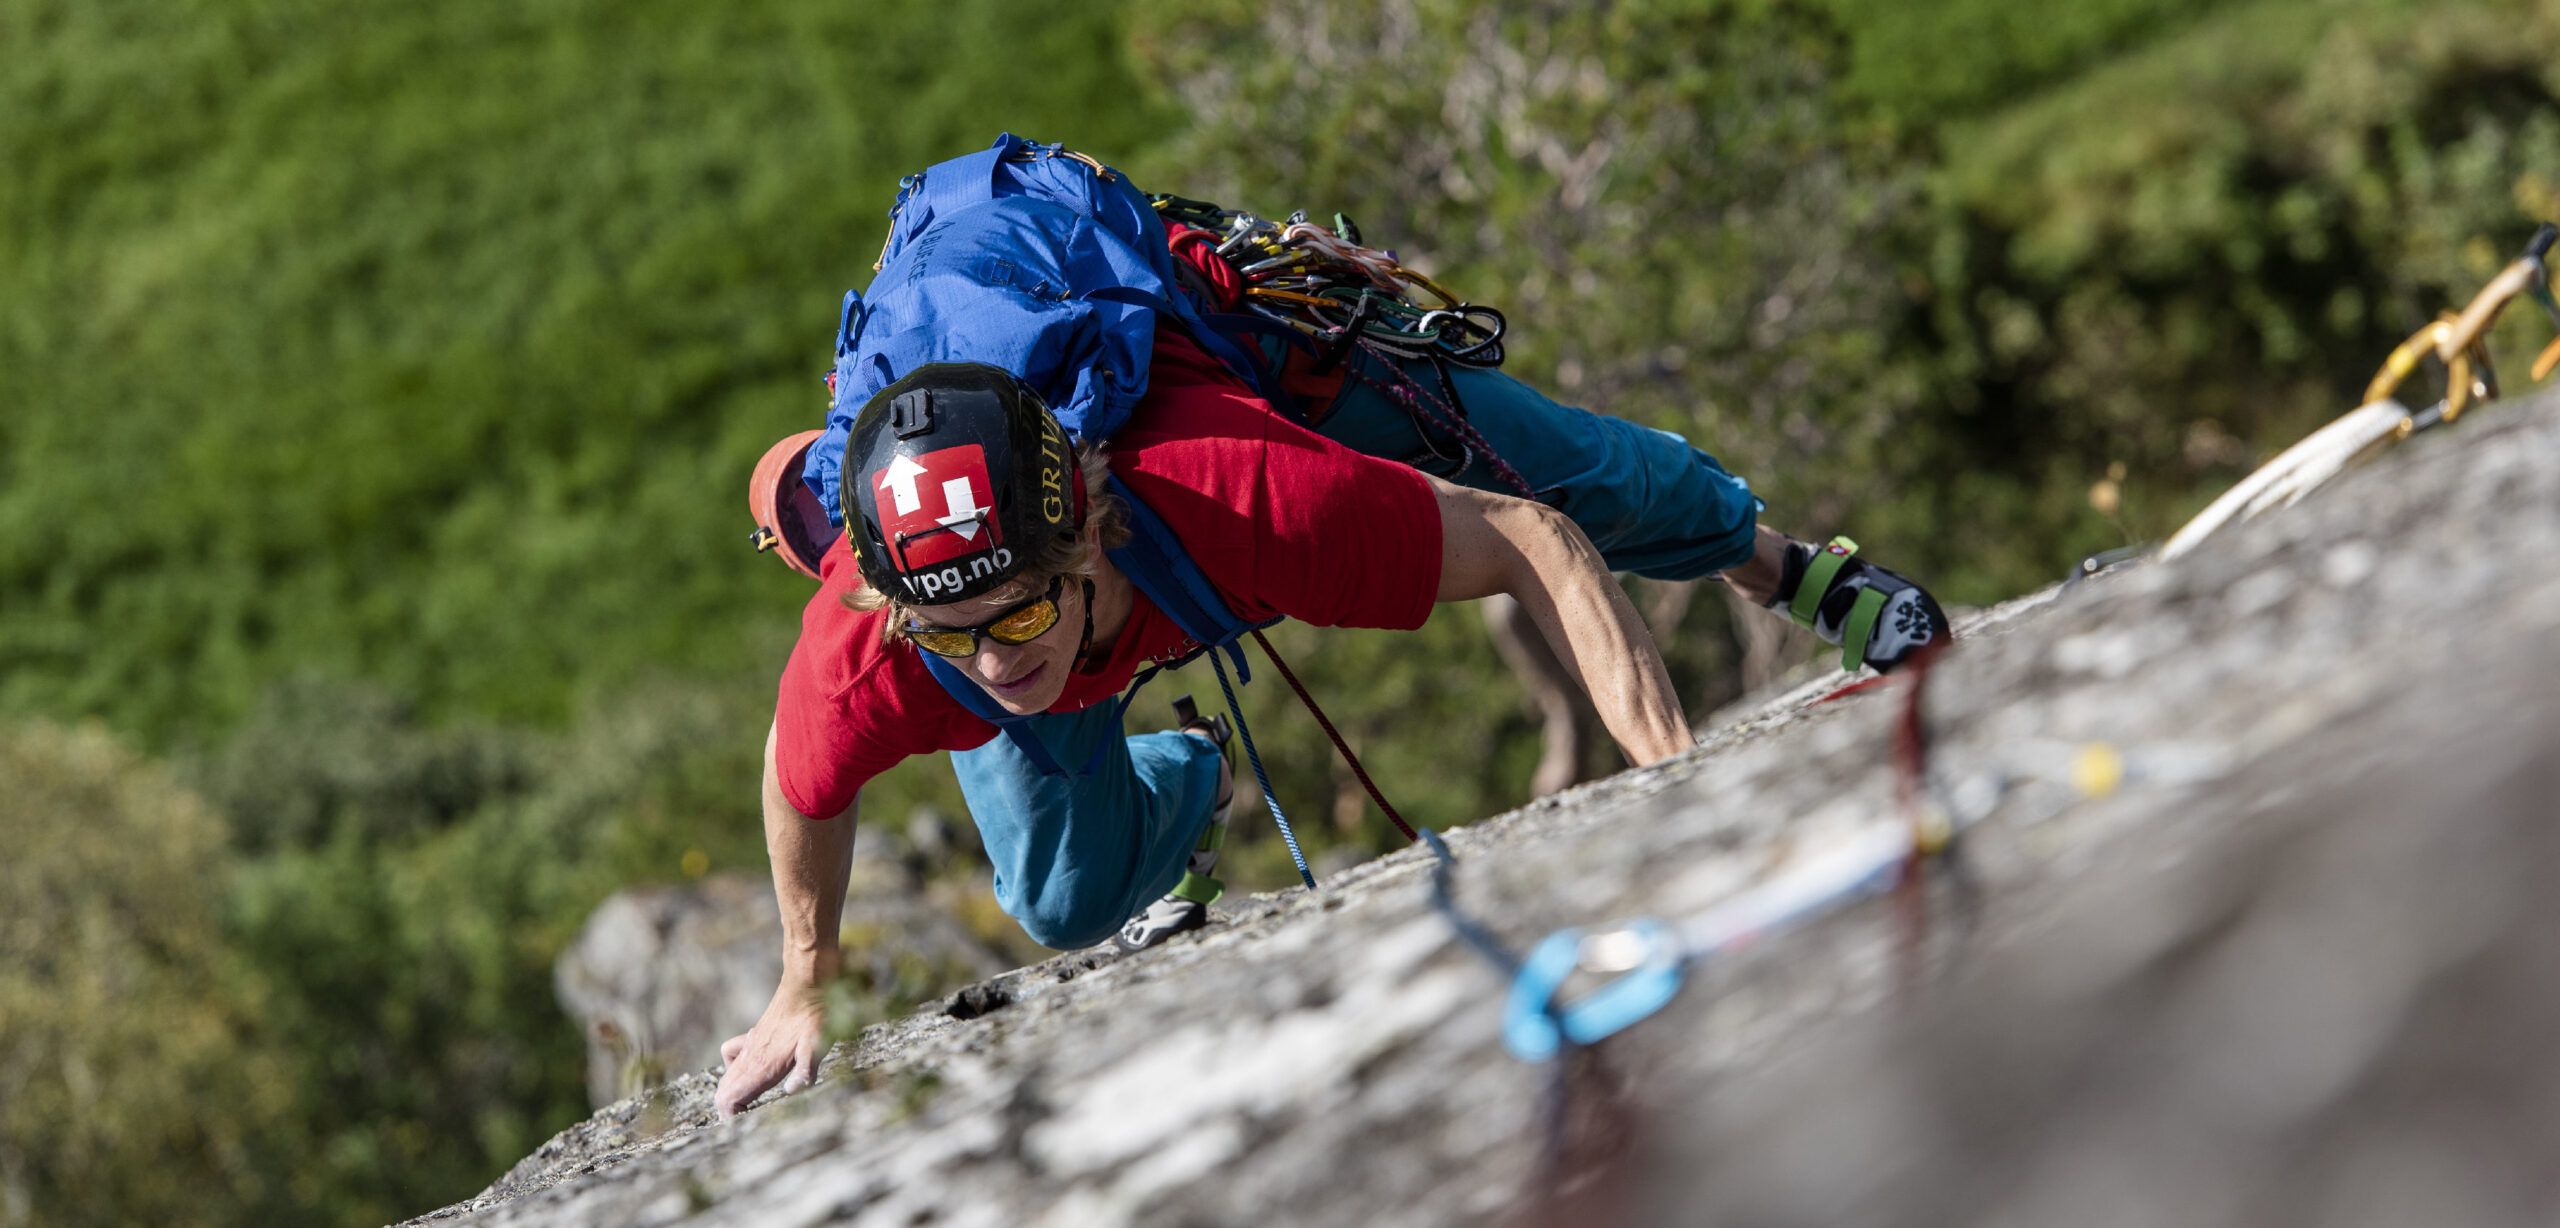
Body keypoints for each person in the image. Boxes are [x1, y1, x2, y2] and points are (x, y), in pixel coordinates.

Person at [715, 222, 1947, 1121]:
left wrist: (1679, 790)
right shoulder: (894, 635)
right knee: (1061, 896)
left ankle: (1784, 565)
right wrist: (802, 983)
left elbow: (1531, 544)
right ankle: (1184, 783)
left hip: (1244, 432)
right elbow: (796, 771)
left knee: (1573, 481)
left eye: (1019, 609)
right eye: (954, 633)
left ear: (1086, 522)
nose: (994, 662)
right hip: (1087, 616)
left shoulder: (1237, 496)